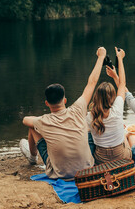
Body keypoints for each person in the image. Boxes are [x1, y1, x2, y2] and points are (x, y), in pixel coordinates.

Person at [19, 47, 107, 180]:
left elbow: (25, 120)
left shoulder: (43, 121)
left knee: (33, 127)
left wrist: (41, 122)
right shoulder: (78, 108)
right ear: (65, 100)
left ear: (46, 103)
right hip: (87, 169)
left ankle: (32, 158)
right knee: (85, 124)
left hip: (60, 174)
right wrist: (101, 57)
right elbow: (92, 82)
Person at [86, 48, 131, 165]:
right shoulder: (117, 108)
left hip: (101, 160)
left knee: (89, 133)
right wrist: (120, 59)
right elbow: (122, 84)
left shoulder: (90, 116)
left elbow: (91, 82)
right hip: (121, 158)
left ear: (96, 97)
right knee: (124, 134)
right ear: (113, 97)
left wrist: (100, 58)